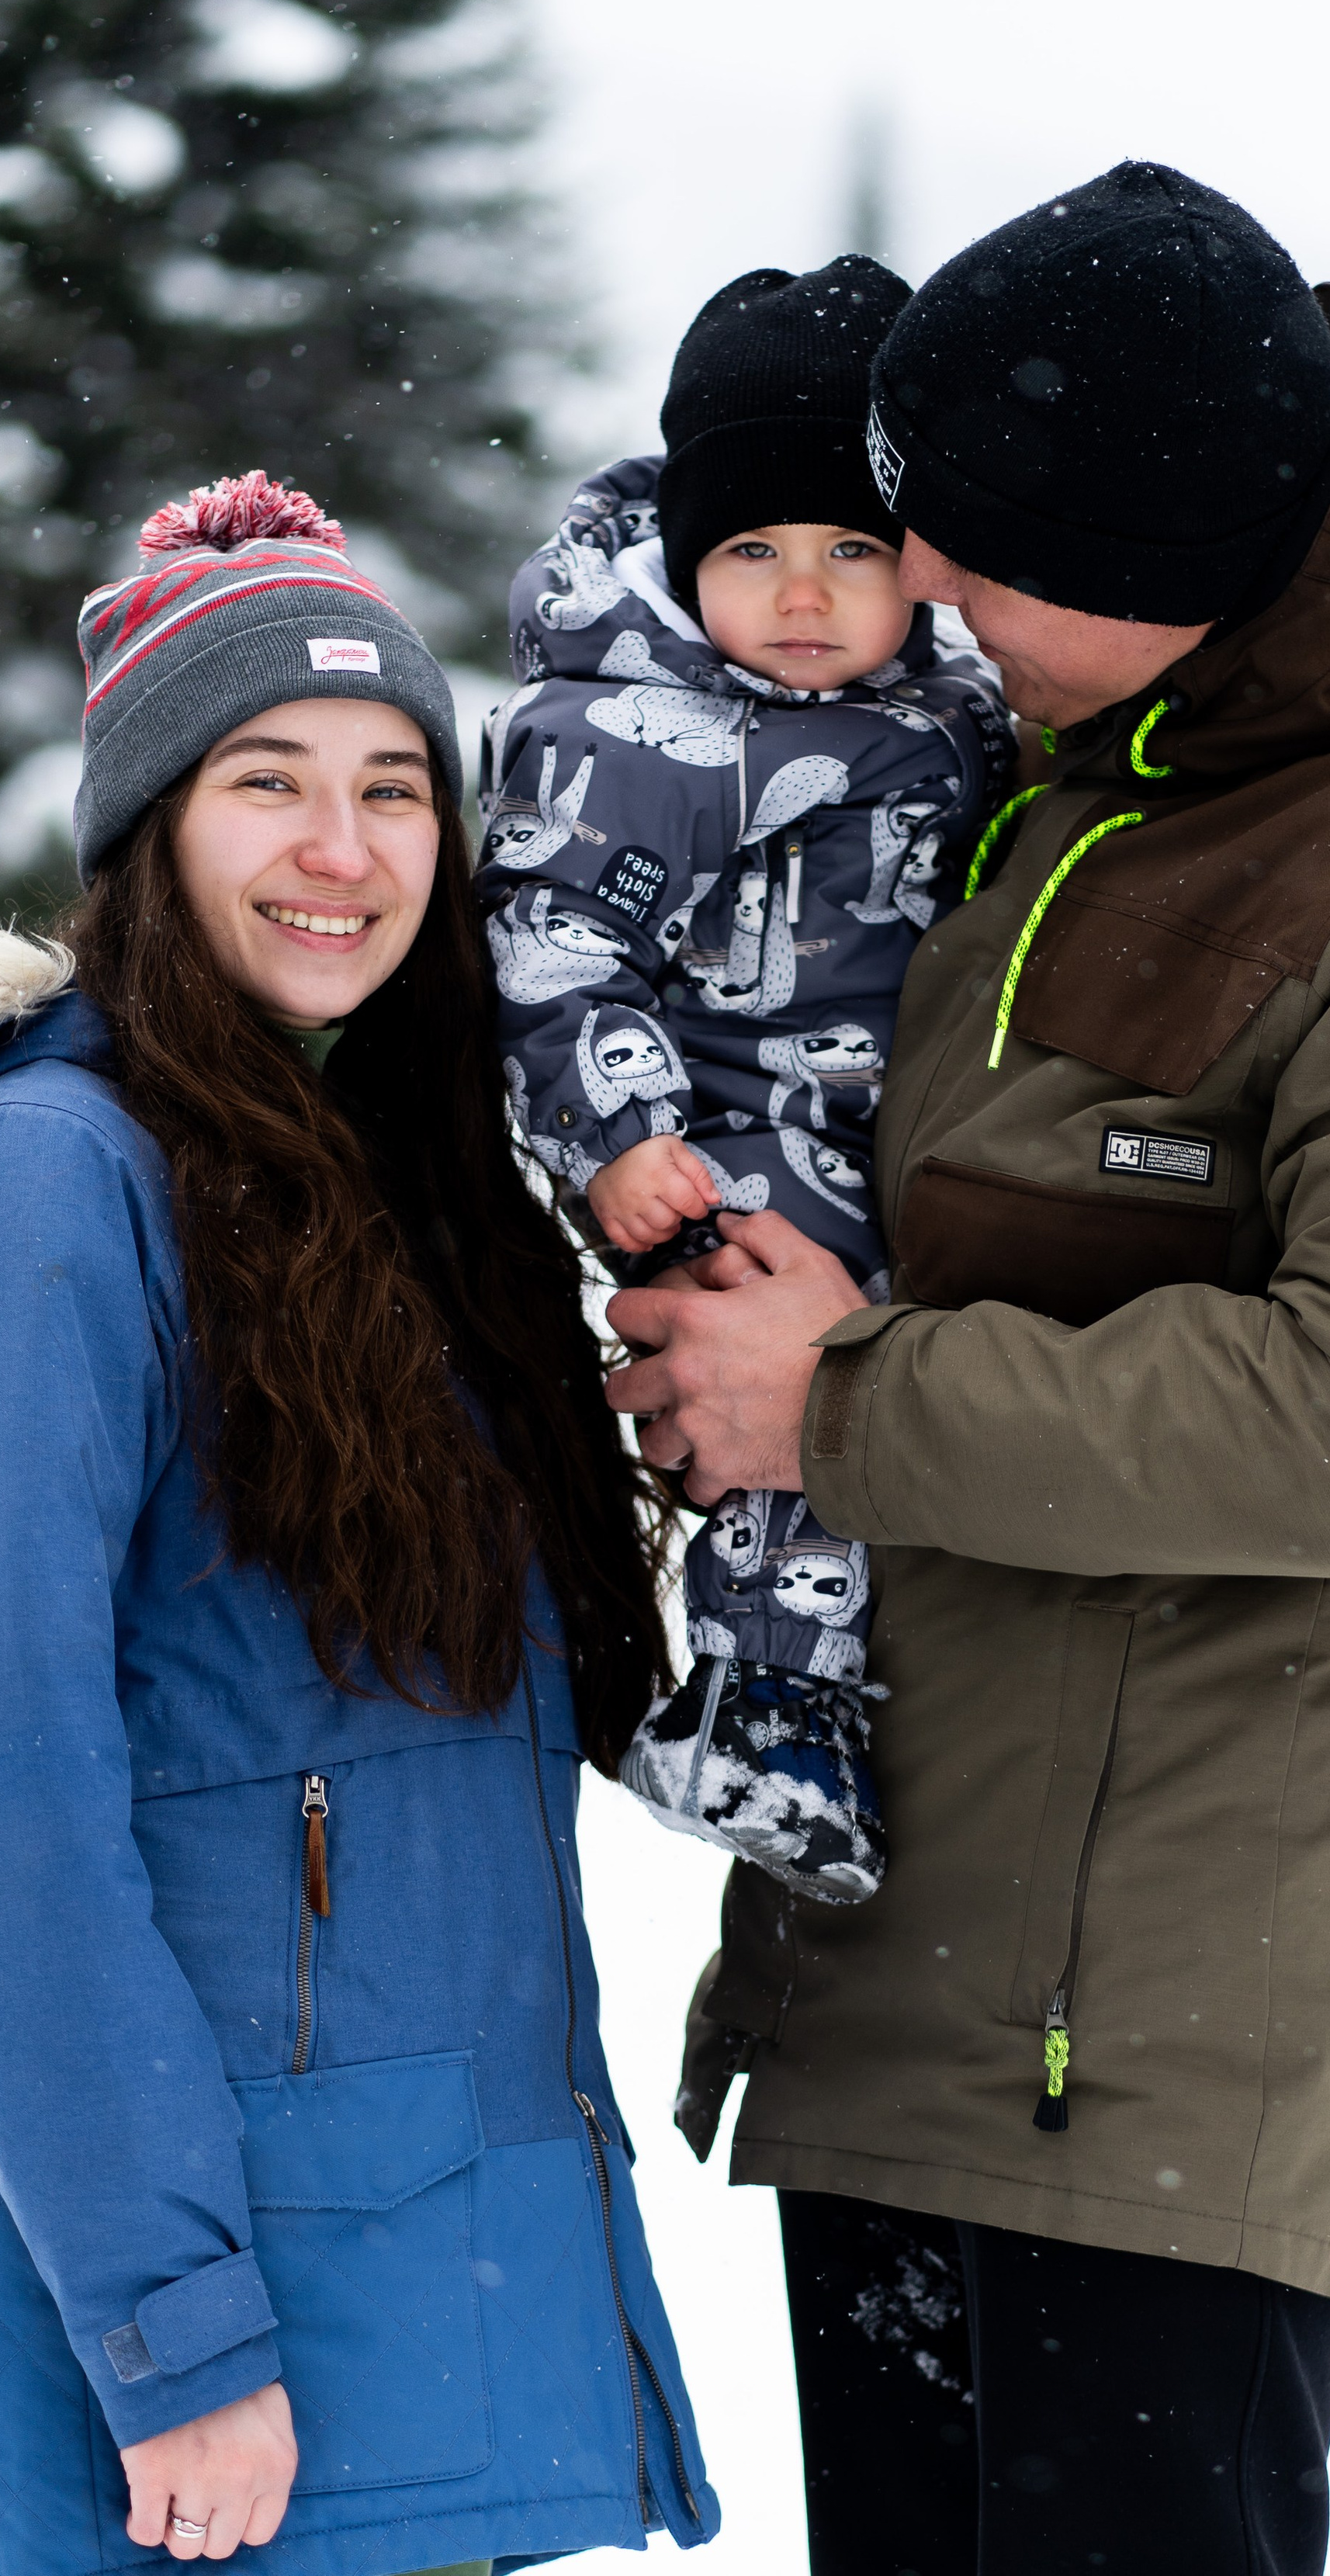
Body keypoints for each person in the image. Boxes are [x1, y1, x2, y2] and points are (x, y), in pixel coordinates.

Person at [607, 165, 1330, 2574]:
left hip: (1158, 2056)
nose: (935, 605)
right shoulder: (1077, 769)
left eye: (982, 555)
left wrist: (845, 1403)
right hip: (915, 1973)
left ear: (1175, 540)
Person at [0, 473, 716, 2576]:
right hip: (186, 2322)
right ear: (148, 829)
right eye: (267, 782)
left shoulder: (379, 1210)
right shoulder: (44, 1180)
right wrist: (178, 2329)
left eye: (398, 787)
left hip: (386, 2291)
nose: (345, 848)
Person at [478, 258, 1007, 1906]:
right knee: (791, 1421)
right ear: (684, 558)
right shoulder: (640, 733)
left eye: (853, 550)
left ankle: (815, 1703)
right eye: (753, 551)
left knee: (874, 1405)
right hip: (731, 1138)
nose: (802, 594)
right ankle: (760, 1710)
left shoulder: (954, 706)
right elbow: (551, 936)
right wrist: (623, 1136)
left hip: (884, 1128)